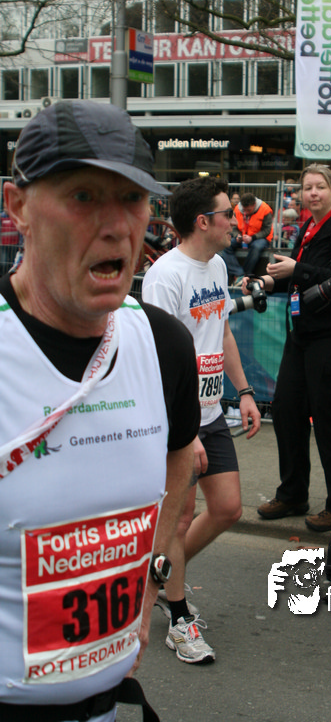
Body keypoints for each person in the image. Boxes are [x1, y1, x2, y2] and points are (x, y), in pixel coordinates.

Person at [0, 100, 199, 719]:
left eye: (132, 199)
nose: (116, 226)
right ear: (17, 207)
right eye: (83, 197)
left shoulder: (163, 344)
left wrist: (149, 580)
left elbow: (182, 460)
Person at [142, 176, 261, 663]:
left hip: (212, 411)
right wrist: (183, 431)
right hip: (179, 418)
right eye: (227, 214)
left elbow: (223, 331)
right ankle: (178, 619)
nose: (235, 221)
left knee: (228, 508)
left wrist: (245, 392)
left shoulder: (216, 265)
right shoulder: (165, 276)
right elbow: (156, 359)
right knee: (181, 516)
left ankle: (157, 573)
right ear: (202, 221)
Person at [252, 163, 331, 532]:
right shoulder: (308, 226)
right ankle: (292, 493)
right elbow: (299, 279)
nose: (313, 193)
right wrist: (266, 281)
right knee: (287, 411)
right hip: (301, 335)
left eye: (320, 187)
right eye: (307, 187)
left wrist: (298, 270)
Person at [220, 191, 274, 283]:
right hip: (243, 237)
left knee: (256, 246)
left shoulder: (265, 209)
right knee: (226, 246)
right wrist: (237, 235)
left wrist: (252, 238)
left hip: (260, 238)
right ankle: (239, 274)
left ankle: (246, 274)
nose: (246, 212)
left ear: (254, 204)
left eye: (248, 210)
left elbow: (267, 230)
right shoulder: (237, 209)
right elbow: (234, 227)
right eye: (244, 210)